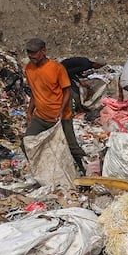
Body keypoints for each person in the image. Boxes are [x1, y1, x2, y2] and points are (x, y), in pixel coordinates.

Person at [22, 38, 86, 172]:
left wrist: (61, 111)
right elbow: (35, 92)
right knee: (27, 143)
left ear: (43, 51)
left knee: (72, 147)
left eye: (33, 52)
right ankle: (45, 172)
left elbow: (67, 92)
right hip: (40, 116)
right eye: (28, 52)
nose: (30, 56)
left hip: (60, 117)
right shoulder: (29, 68)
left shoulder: (57, 68)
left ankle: (89, 172)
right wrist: (29, 111)